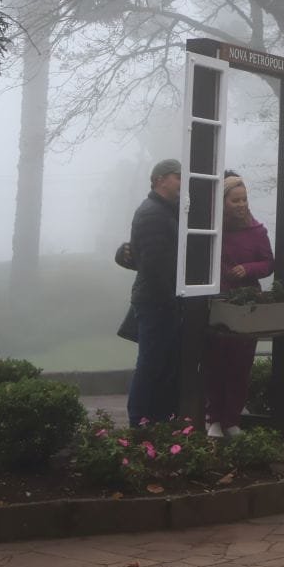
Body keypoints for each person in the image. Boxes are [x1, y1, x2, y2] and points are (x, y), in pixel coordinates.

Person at [205, 171, 274, 439]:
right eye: (235, 201)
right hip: (220, 304)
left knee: (241, 364)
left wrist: (249, 269)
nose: (242, 205)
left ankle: (232, 419)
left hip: (248, 305)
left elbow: (269, 262)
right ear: (223, 202)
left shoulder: (257, 231)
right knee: (215, 363)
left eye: (244, 199)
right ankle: (213, 420)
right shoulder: (212, 230)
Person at [124, 158, 184, 426]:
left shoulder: (168, 211)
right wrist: (173, 300)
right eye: (178, 177)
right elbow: (154, 266)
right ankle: (140, 419)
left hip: (164, 301)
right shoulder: (152, 213)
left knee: (166, 363)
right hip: (156, 302)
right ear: (160, 179)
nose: (182, 182)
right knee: (151, 363)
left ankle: (160, 416)